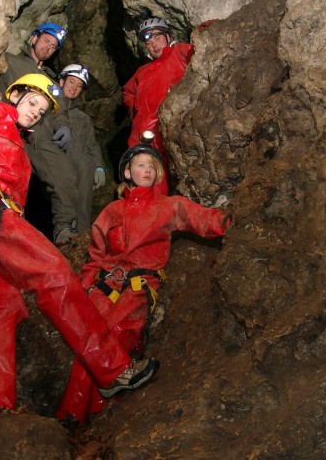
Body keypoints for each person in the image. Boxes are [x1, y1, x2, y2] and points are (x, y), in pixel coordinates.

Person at [0, 73, 158, 410]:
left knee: (0, 308)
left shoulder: (21, 149)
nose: (35, 112)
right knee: (54, 272)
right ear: (16, 95)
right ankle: (114, 370)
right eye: (32, 103)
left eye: (41, 111)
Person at [56, 139, 231, 425]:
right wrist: (85, 287)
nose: (147, 169)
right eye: (140, 164)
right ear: (127, 173)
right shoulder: (111, 211)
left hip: (139, 284)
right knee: (90, 339)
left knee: (118, 331)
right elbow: (96, 255)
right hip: (106, 284)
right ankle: (72, 413)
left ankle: (98, 413)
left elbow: (199, 217)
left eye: (152, 166)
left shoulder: (168, 206)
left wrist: (228, 222)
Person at [0, 22, 81, 244]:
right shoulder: (10, 62)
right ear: (34, 38)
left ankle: (64, 230)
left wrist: (63, 127)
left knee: (65, 176)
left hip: (41, 137)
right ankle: (6, 236)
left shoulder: (52, 81)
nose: (48, 47)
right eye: (46, 40)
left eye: (53, 46)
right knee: (9, 183)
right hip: (12, 130)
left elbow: (59, 110)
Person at [122, 17, 195, 195]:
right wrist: (136, 110)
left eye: (157, 37)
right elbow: (128, 91)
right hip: (143, 134)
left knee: (182, 178)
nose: (153, 44)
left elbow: (201, 51)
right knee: (146, 182)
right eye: (148, 41)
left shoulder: (178, 53)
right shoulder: (142, 72)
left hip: (173, 127)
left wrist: (205, 30)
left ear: (168, 37)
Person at [55, 64, 106, 233]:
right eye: (71, 82)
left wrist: (99, 166)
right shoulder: (48, 108)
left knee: (83, 210)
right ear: (61, 81)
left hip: (83, 172)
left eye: (79, 86)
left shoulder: (82, 118)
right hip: (60, 169)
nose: (74, 88)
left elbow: (92, 145)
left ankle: (82, 239)